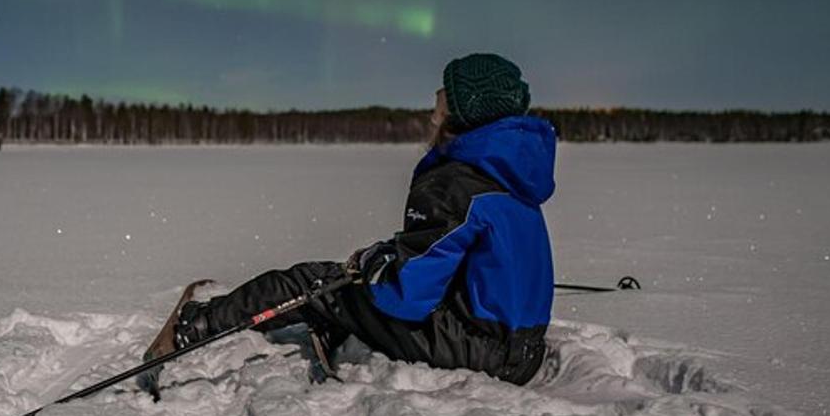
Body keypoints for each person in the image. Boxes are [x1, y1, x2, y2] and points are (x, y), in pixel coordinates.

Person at [172, 53, 557, 386]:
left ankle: (200, 325)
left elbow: (406, 294)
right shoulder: (509, 171)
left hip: (479, 351)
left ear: (465, 110)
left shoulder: (455, 181)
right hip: (524, 351)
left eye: (444, 94)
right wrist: (387, 256)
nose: (435, 102)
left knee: (315, 283)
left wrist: (371, 266)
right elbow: (455, 255)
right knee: (355, 286)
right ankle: (340, 322)